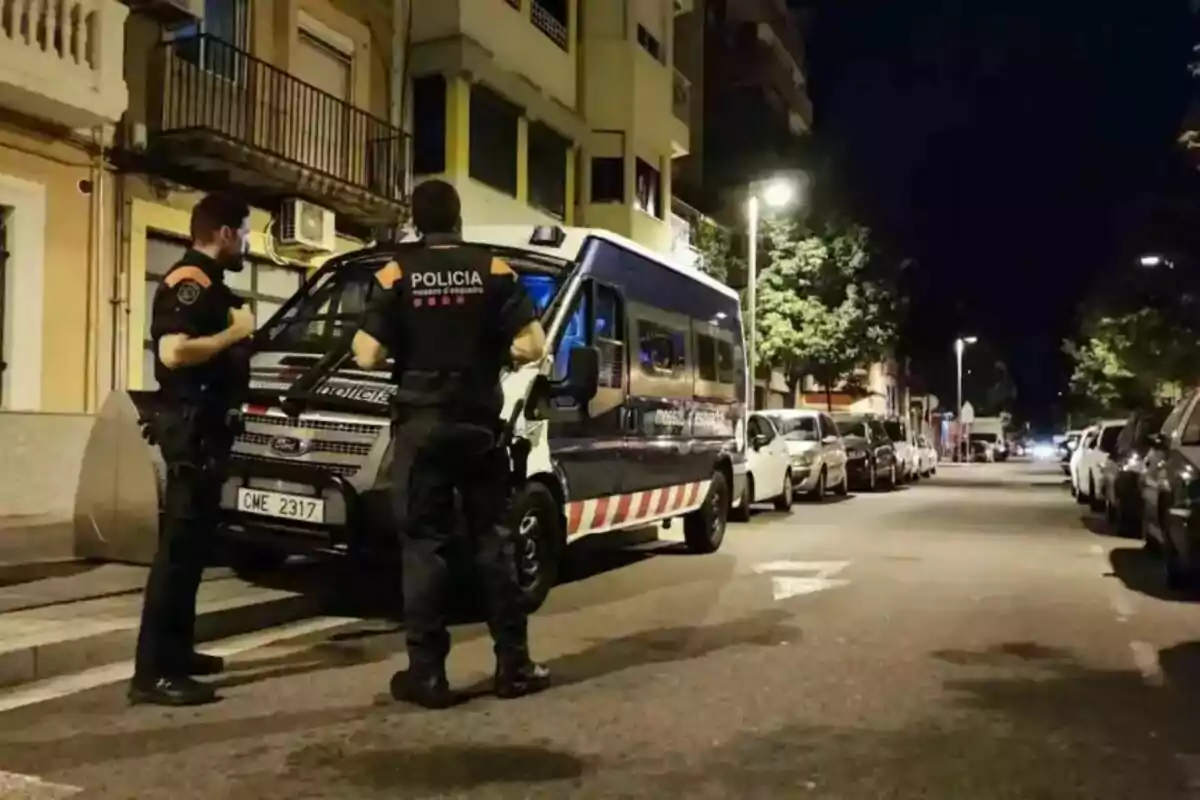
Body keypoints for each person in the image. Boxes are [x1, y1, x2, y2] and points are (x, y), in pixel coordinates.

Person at [351, 179, 551, 709]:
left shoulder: (395, 272)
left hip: (422, 427)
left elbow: (366, 356)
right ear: (459, 220)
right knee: (493, 541)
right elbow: (534, 345)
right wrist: (494, 356)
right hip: (478, 425)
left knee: (424, 547)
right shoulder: (494, 270)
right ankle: (514, 665)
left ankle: (429, 675)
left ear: (416, 222)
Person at [129, 193, 256, 707]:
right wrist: (235, 332)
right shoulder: (190, 282)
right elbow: (174, 352)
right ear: (225, 233)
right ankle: (153, 673)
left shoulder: (212, 284)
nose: (247, 242)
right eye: (244, 232)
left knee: (194, 553)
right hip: (191, 432)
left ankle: (178, 653)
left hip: (209, 433)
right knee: (176, 557)